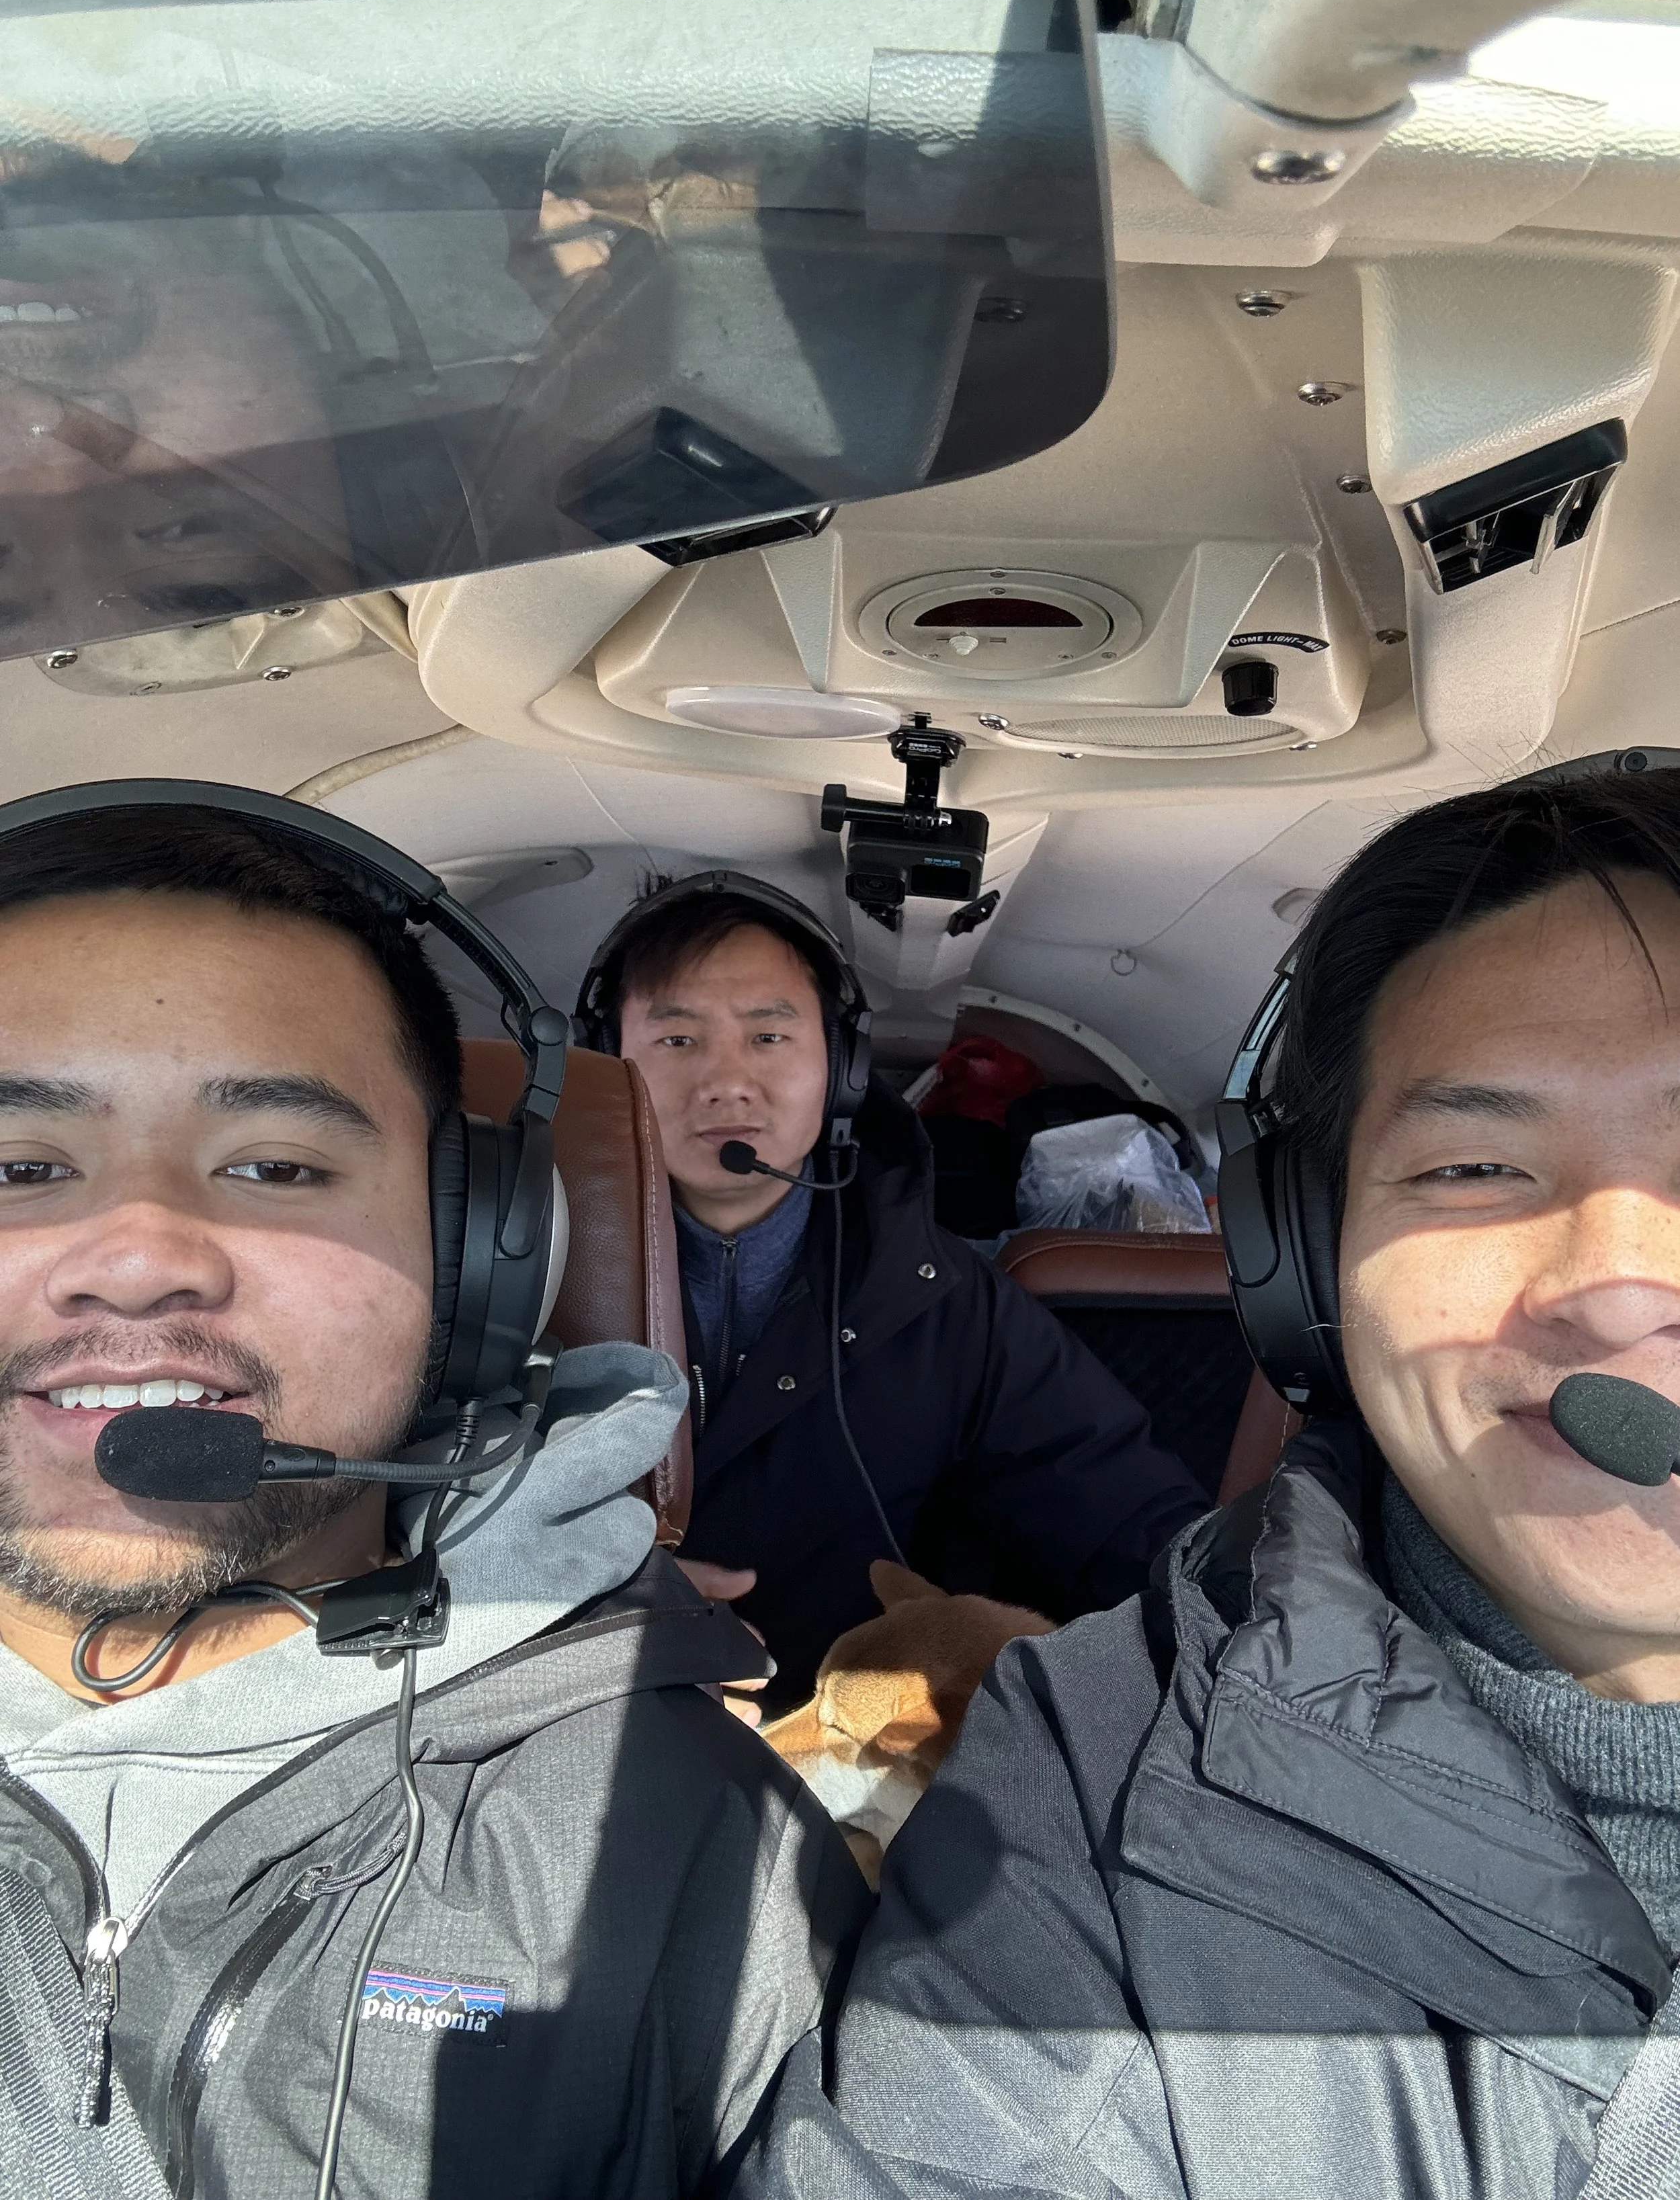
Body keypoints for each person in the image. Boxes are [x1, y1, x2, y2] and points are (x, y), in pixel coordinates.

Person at [743, 753, 1680, 2200]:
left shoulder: (954, 1297)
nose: (1616, 1283)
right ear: (1303, 1263)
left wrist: (1209, 1626)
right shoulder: (1087, 1794)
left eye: (764, 1033)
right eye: (1476, 1169)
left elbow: (1108, 1494)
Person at [0, 788, 868, 2200]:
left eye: (274, 1164)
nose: (140, 1253)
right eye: (19, 1166)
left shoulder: (682, 1857)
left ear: (485, 1255)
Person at [574, 873, 1209, 1711]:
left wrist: (1244, 1632)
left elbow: (1124, 1514)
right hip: (567, 1715)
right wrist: (567, 1603)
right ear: (603, 1062)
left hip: (843, 1751)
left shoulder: (945, 1300)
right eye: (677, 1041)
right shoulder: (514, 1276)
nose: (727, 1083)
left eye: (769, 1038)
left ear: (841, 1068)